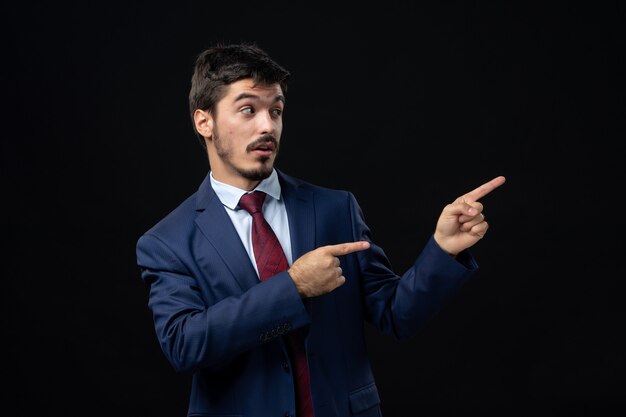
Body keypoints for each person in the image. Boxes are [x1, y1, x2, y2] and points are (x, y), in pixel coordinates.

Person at [135, 42, 506, 417]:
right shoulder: (167, 241)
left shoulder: (334, 209)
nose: (268, 126)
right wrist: (293, 287)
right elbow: (184, 345)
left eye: (275, 110)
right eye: (248, 109)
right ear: (205, 122)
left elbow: (395, 314)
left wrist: (442, 249)